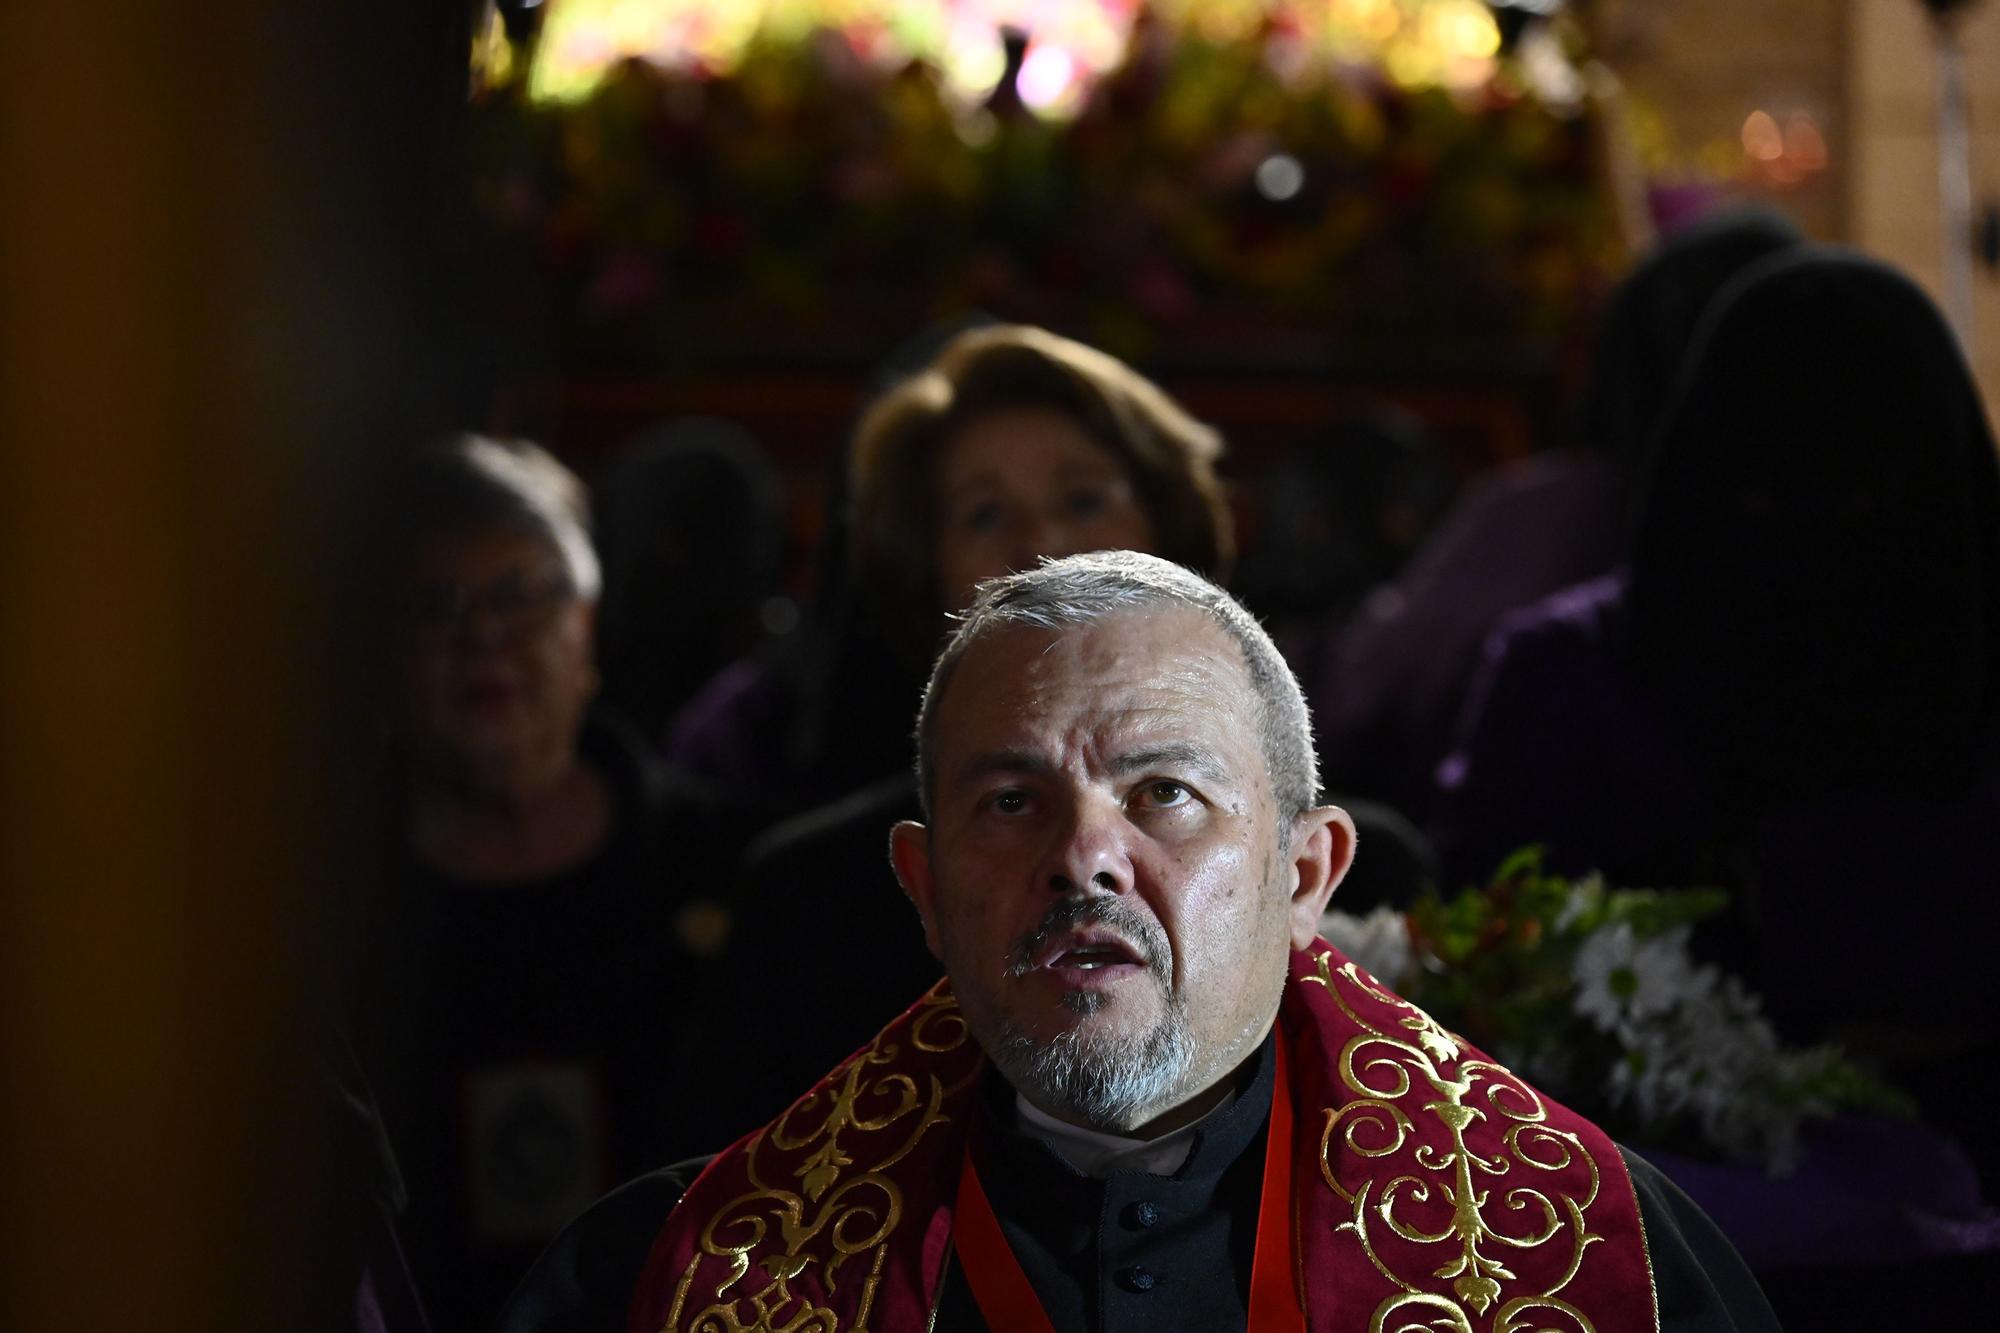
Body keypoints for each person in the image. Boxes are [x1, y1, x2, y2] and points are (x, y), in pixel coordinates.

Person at [501, 551, 1776, 1332]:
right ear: (924, 889)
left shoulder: (1592, 1257)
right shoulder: (674, 1279)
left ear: (1304, 874)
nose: (1082, 856)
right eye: (1010, 802)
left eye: (1163, 792)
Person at [344, 435, 735, 1332]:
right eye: (434, 606)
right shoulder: (319, 904)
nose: (482, 635)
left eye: (521, 595)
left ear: (588, 627)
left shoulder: (727, 865)